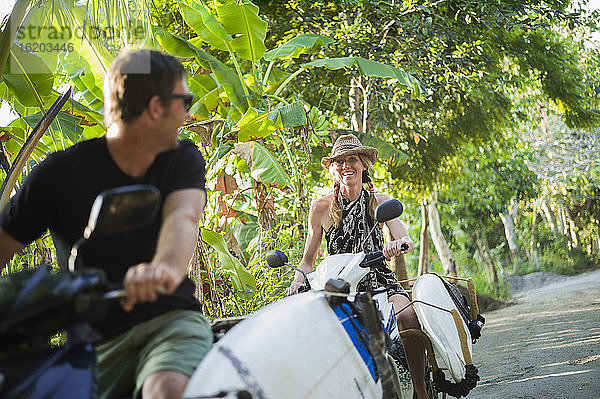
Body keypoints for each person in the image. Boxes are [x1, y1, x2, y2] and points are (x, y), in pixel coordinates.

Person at [0, 49, 211, 399]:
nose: (188, 114)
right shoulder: (57, 175)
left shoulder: (182, 157)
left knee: (168, 388)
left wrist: (162, 270)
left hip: (168, 322)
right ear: (157, 107)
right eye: (184, 100)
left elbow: (183, 217)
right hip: (92, 344)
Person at [286, 133, 430, 399]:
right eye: (339, 162)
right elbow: (308, 261)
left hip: (378, 278)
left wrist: (395, 246)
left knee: (407, 317)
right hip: (338, 285)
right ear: (332, 169)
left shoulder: (380, 201)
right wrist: (297, 279)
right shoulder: (320, 208)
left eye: (352, 159)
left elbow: (405, 239)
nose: (346, 166)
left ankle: (421, 391)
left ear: (363, 164)